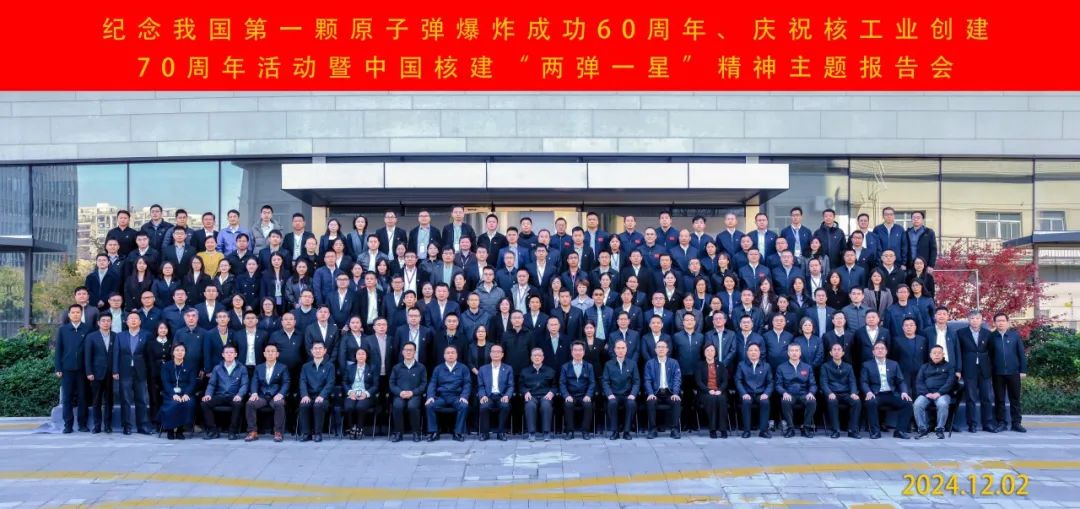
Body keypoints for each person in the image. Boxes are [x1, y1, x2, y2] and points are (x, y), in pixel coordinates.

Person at [860, 340, 913, 439]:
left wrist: (904, 392)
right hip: (876, 394)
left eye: (882, 348)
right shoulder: (867, 365)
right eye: (877, 348)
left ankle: (900, 431)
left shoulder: (894, 364)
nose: (880, 350)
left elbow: (900, 381)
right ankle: (875, 432)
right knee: (870, 402)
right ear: (873, 352)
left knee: (907, 403)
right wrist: (868, 392)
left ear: (886, 351)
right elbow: (864, 382)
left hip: (891, 394)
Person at [956, 311, 997, 433]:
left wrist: (991, 368)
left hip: (985, 369)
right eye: (972, 318)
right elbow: (958, 352)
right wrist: (959, 369)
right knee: (971, 398)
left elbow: (992, 352)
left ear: (981, 320)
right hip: (969, 369)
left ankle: (988, 424)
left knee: (987, 397)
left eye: (977, 318)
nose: (975, 320)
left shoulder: (987, 333)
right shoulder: (960, 333)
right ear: (968, 320)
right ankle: (972, 424)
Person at [200, 344, 249, 441]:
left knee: (238, 404)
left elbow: (244, 384)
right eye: (226, 352)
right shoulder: (217, 368)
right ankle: (213, 431)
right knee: (205, 404)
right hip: (220, 395)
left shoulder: (242, 368)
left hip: (234, 396)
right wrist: (208, 394)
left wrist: (239, 395)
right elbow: (212, 384)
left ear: (235, 354)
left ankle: (233, 432)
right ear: (223, 354)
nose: (229, 354)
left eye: (231, 352)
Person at [55, 304, 90, 434]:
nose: (75, 314)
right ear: (69, 315)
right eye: (73, 312)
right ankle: (68, 425)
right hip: (67, 369)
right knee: (67, 398)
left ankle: (82, 424)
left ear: (81, 314)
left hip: (83, 369)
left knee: (83, 397)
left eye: (78, 312)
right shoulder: (63, 330)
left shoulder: (88, 329)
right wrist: (58, 368)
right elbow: (58, 350)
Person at [115, 311, 151, 435]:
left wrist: (149, 371)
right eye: (131, 318)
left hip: (141, 371)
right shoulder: (120, 336)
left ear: (140, 321)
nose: (133, 320)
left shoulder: (146, 335)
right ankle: (126, 426)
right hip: (124, 371)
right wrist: (115, 370)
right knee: (125, 400)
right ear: (126, 322)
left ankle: (143, 426)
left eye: (136, 318)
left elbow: (149, 355)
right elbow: (116, 354)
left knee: (142, 399)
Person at [425, 345, 471, 442]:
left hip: (456, 397)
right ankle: (434, 432)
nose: (450, 355)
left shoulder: (463, 368)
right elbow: (432, 383)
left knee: (463, 406)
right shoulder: (438, 368)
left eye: (453, 353)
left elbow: (467, 384)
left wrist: (464, 396)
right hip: (442, 397)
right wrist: (430, 396)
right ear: (444, 355)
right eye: (448, 353)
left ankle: (458, 432)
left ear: (457, 355)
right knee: (430, 405)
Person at [245, 343, 290, 442]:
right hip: (262, 396)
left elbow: (286, 382)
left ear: (277, 354)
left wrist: (281, 394)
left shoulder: (283, 367)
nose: (270, 353)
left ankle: (278, 432)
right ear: (264, 354)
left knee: (279, 403)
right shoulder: (259, 367)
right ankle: (252, 432)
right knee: (250, 403)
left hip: (276, 395)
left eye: (273, 351)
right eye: (268, 351)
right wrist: (254, 393)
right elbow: (254, 382)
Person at [990, 313, 1027, 433]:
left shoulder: (1014, 335)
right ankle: (1001, 423)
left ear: (1007, 322)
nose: (1000, 323)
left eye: (1003, 320)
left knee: (1015, 398)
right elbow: (989, 356)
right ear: (994, 323)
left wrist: (1023, 370)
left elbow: (1021, 353)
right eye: (998, 321)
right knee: (999, 399)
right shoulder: (991, 337)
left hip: (1013, 372)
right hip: (997, 373)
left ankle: (1016, 423)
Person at [775, 343, 817, 438]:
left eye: (796, 350)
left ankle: (806, 428)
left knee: (812, 401)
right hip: (789, 394)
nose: (794, 353)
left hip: (804, 394)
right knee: (785, 401)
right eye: (792, 351)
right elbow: (778, 385)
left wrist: (811, 393)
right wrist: (784, 393)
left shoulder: (807, 367)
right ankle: (790, 429)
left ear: (800, 353)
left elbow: (813, 384)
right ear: (788, 353)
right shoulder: (781, 367)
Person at [913, 345, 956, 440]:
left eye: (939, 353)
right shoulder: (924, 367)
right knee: (917, 404)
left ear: (943, 354)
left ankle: (939, 429)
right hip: (927, 394)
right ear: (930, 355)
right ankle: (922, 430)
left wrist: (939, 393)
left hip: (942, 394)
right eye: (934, 353)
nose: (937, 355)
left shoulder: (949, 366)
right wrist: (926, 393)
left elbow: (950, 382)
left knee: (942, 404)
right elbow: (919, 382)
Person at [821, 343, 861, 439]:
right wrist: (829, 393)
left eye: (839, 350)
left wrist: (853, 393)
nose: (837, 352)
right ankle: (835, 430)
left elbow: (852, 381)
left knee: (856, 401)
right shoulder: (825, 366)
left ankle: (852, 430)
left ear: (843, 353)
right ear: (830, 353)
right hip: (832, 393)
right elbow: (823, 383)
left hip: (846, 393)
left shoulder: (848, 367)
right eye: (834, 350)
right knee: (832, 401)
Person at [389, 342, 428, 442]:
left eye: (411, 350)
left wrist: (413, 392)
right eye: (406, 350)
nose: (408, 352)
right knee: (397, 405)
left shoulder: (421, 367)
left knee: (412, 406)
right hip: (400, 395)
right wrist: (400, 392)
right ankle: (398, 433)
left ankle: (416, 433)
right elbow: (392, 383)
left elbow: (424, 384)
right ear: (402, 352)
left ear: (415, 352)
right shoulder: (396, 367)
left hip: (415, 395)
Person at [158, 343, 198, 440]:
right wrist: (173, 394)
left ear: (185, 352)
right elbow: (166, 382)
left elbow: (192, 382)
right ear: (173, 352)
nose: (180, 352)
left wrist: (186, 394)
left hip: (186, 393)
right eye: (177, 350)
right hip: (170, 392)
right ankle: (170, 430)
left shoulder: (191, 366)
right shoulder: (166, 366)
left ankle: (180, 430)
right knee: (174, 403)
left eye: (182, 350)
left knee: (188, 403)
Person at [644, 339, 682, 439]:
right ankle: (652, 429)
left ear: (667, 350)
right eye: (659, 347)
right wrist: (650, 393)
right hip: (655, 392)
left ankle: (675, 430)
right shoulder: (650, 363)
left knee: (676, 401)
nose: (661, 349)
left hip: (669, 392)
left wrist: (675, 393)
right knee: (651, 401)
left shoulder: (674, 363)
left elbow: (677, 379)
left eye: (663, 347)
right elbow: (647, 380)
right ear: (655, 350)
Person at [298, 341, 336, 442]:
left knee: (318, 405)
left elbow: (330, 383)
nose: (317, 351)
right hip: (309, 396)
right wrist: (304, 395)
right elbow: (302, 382)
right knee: (304, 405)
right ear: (311, 351)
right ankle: (306, 434)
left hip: (323, 397)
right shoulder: (305, 366)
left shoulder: (330, 366)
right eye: (315, 348)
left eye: (320, 348)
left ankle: (318, 434)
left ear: (325, 351)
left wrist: (322, 395)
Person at [84, 314, 116, 434]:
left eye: (108, 321)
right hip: (96, 374)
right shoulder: (91, 337)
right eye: (103, 321)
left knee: (109, 401)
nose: (106, 323)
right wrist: (89, 372)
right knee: (96, 401)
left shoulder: (115, 336)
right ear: (98, 323)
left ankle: (108, 426)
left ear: (111, 322)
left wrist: (116, 370)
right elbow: (87, 356)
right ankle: (97, 426)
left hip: (110, 374)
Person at [476, 344, 514, 441]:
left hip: (502, 396)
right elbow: (480, 386)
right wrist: (483, 396)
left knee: (505, 406)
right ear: (490, 354)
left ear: (502, 354)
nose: (496, 354)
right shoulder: (483, 369)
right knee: (484, 406)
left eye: (498, 352)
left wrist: (507, 396)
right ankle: (485, 433)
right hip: (488, 396)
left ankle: (501, 433)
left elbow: (510, 386)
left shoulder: (508, 368)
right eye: (493, 352)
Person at [559, 342, 596, 440]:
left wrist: (588, 395)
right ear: (571, 352)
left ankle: (585, 431)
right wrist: (566, 395)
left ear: (584, 352)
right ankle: (570, 431)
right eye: (575, 350)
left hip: (584, 395)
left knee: (588, 405)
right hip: (571, 395)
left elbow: (592, 383)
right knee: (568, 405)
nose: (577, 352)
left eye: (580, 350)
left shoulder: (589, 366)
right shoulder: (565, 367)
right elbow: (562, 383)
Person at [735, 343, 772, 438]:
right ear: (747, 353)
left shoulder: (766, 366)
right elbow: (738, 381)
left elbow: (770, 382)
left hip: (761, 393)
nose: (753, 352)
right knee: (746, 402)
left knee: (765, 402)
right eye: (751, 350)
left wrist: (766, 393)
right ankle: (746, 431)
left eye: (756, 350)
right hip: (747, 393)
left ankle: (763, 431)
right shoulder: (741, 365)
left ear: (760, 353)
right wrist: (743, 393)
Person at [520, 347, 557, 442]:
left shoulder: (550, 371)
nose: (537, 357)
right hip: (531, 395)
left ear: (543, 357)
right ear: (531, 358)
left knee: (546, 405)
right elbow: (521, 385)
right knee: (530, 405)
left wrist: (551, 392)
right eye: (535, 355)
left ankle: (546, 432)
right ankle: (531, 433)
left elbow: (555, 386)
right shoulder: (525, 371)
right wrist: (525, 391)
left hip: (545, 396)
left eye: (539, 355)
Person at [342, 348, 377, 440]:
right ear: (355, 356)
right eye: (359, 354)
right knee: (349, 406)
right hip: (352, 393)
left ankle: (360, 428)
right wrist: (350, 392)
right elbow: (344, 382)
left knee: (360, 406)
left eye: (363, 354)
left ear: (366, 356)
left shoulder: (372, 368)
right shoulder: (350, 368)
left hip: (365, 393)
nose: (361, 356)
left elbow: (375, 385)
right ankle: (351, 428)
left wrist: (366, 393)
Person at [697, 342, 729, 439]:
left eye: (712, 350)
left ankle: (723, 429)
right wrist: (708, 390)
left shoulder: (721, 365)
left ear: (715, 352)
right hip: (705, 392)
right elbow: (699, 382)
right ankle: (713, 429)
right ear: (704, 353)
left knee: (722, 399)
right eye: (707, 350)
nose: (709, 352)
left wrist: (720, 390)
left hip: (719, 391)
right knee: (712, 399)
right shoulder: (699, 365)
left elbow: (725, 381)